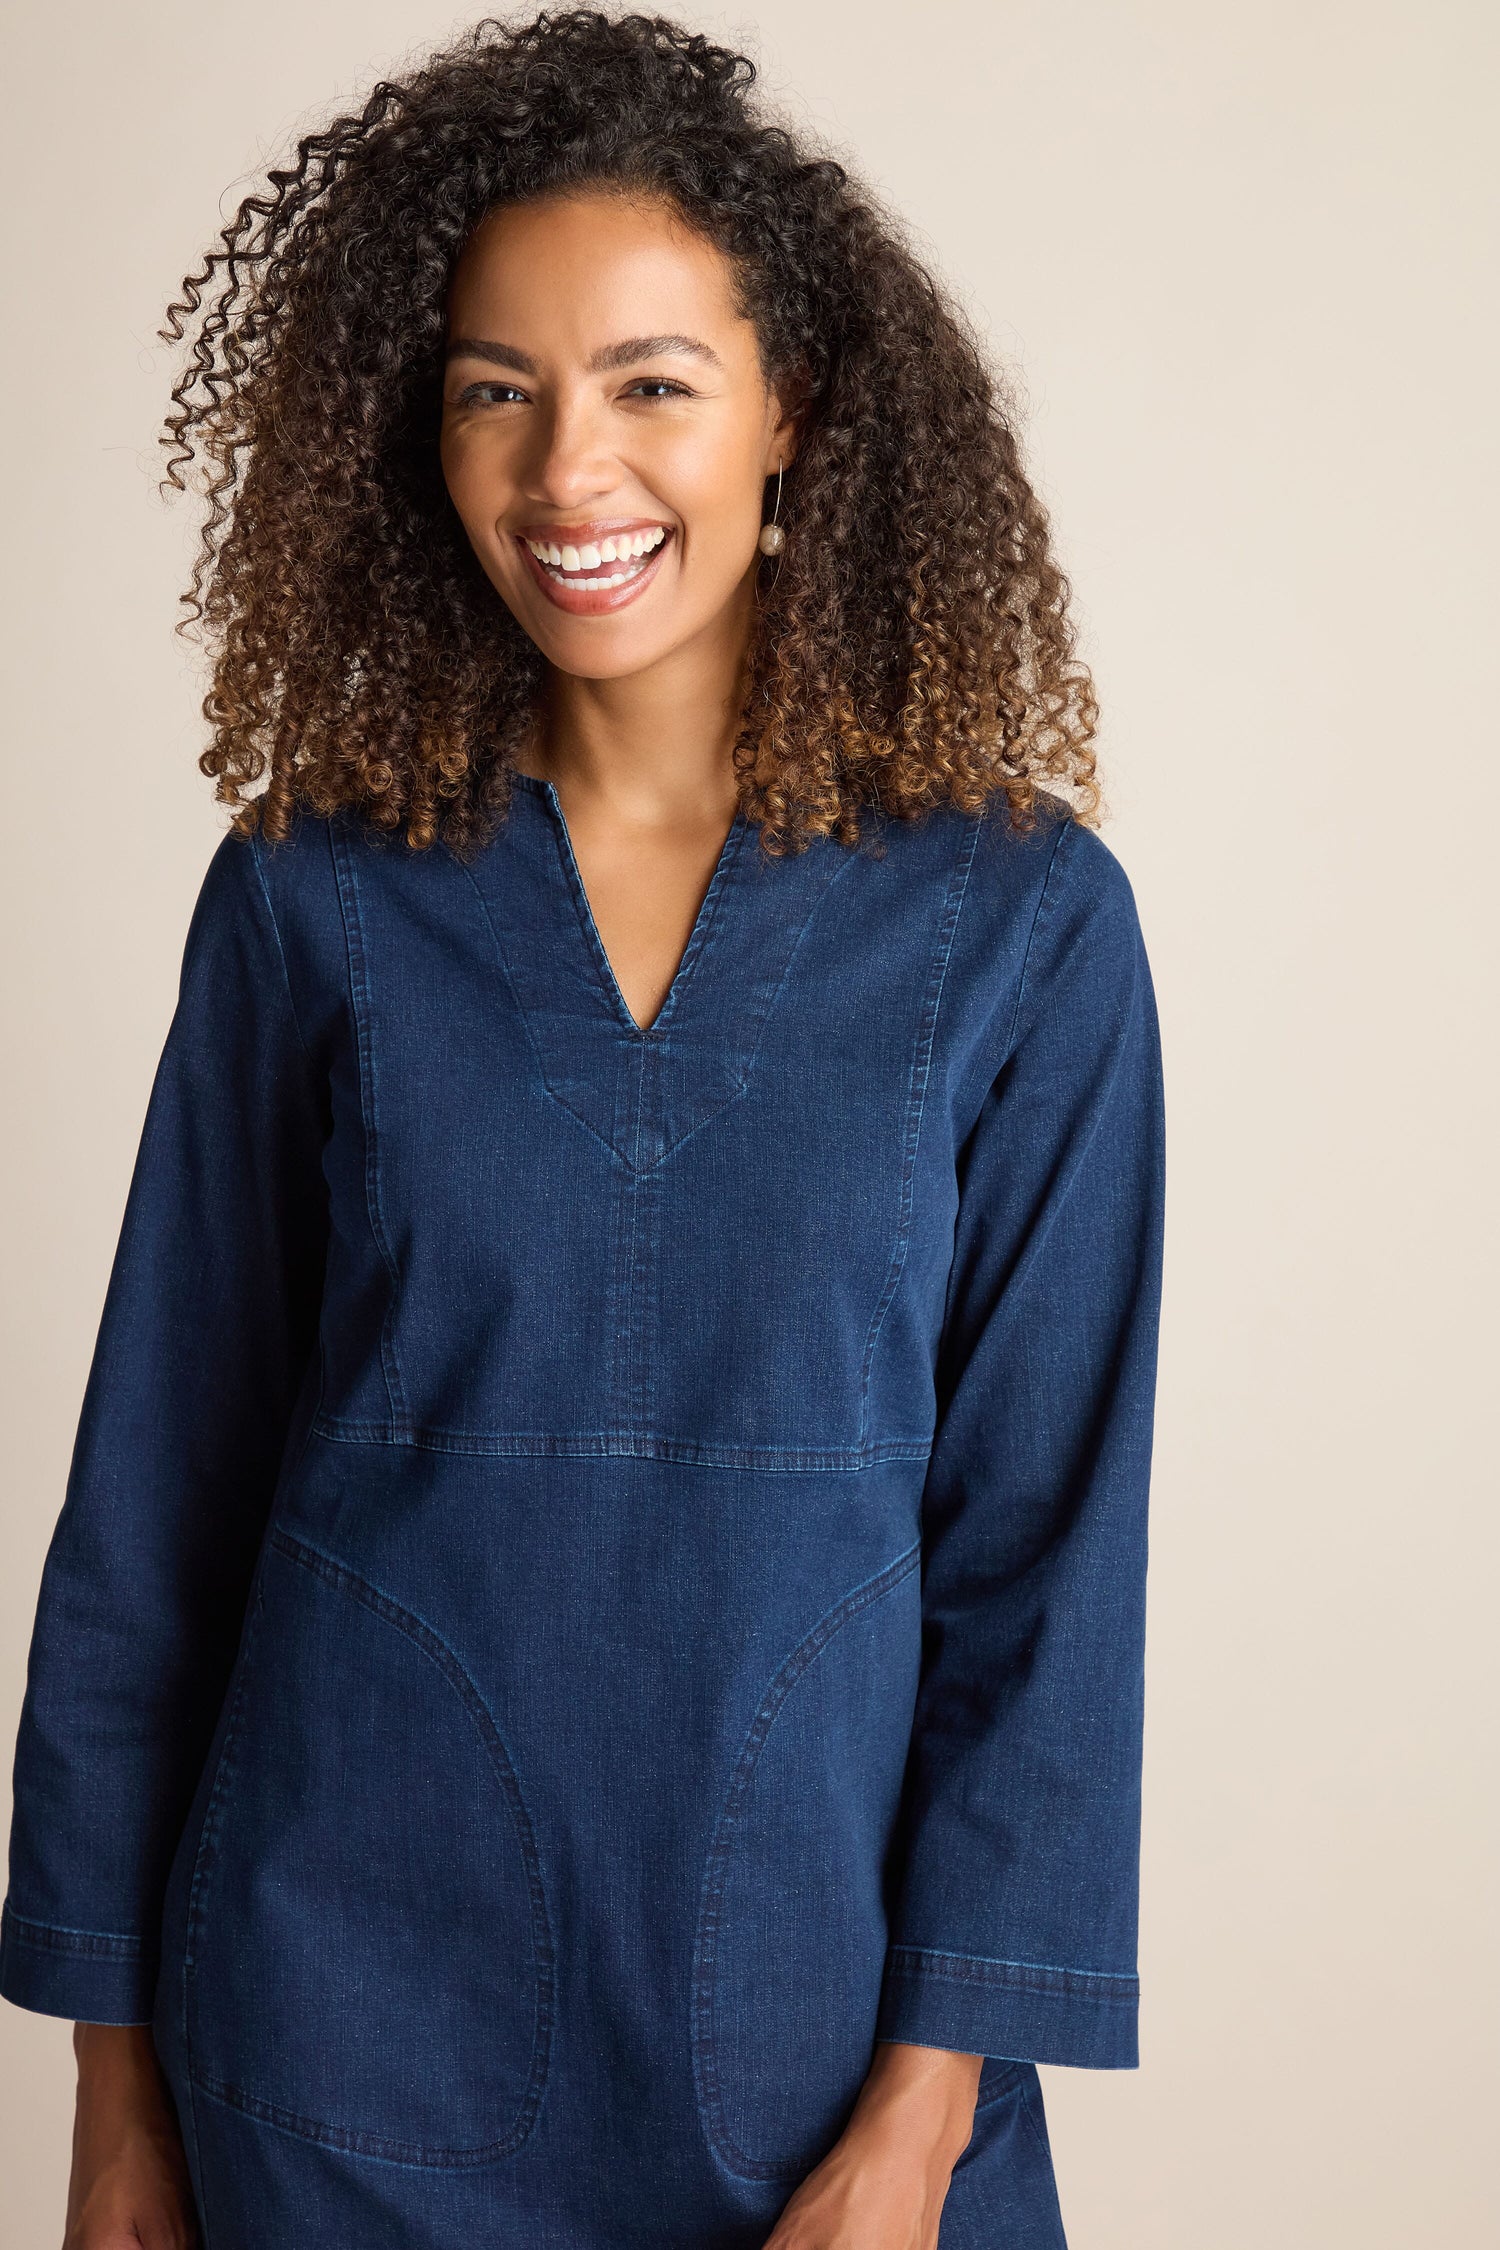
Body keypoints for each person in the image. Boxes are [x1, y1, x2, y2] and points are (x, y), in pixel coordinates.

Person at [0, 12, 1166, 2247]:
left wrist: (922, 2127)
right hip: (323, 2072)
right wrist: (113, 2098)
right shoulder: (310, 896)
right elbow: (151, 1512)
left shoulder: (1022, 925)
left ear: (789, 409)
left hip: (827, 2101)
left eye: (650, 381)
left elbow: (1050, 1563)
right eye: (493, 391)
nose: (567, 473)